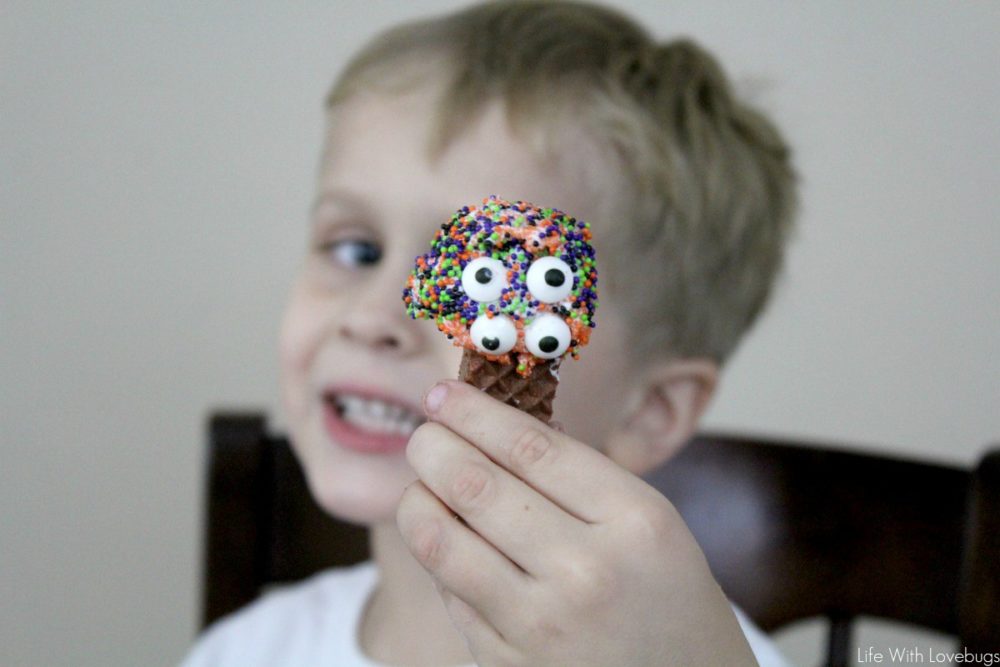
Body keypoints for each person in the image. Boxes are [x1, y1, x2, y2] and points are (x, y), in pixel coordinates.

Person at [183, 1, 796, 665]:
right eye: (357, 249)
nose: (372, 317)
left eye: (487, 280)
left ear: (649, 410)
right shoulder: (246, 650)